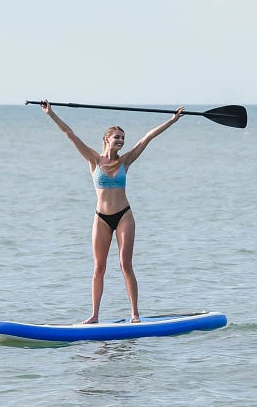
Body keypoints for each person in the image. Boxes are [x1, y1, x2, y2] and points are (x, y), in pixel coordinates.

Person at [40, 100, 184, 323]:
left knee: (125, 265)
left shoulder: (126, 160)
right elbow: (70, 134)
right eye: (117, 137)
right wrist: (51, 113)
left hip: (124, 215)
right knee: (99, 267)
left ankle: (135, 314)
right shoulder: (93, 159)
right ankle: (94, 315)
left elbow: (148, 138)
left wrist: (172, 120)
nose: (121, 141)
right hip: (101, 218)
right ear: (106, 139)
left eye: (123, 138)